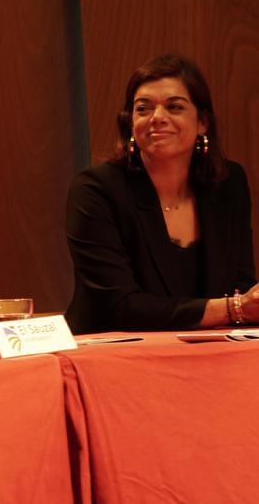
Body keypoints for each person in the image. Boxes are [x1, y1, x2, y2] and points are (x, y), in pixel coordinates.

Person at [65, 53, 259, 333]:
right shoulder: (95, 191)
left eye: (174, 107)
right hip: (113, 359)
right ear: (131, 122)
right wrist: (234, 309)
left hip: (209, 352)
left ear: (203, 122)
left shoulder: (228, 183)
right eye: (143, 109)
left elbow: (240, 282)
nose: (157, 118)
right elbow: (120, 307)